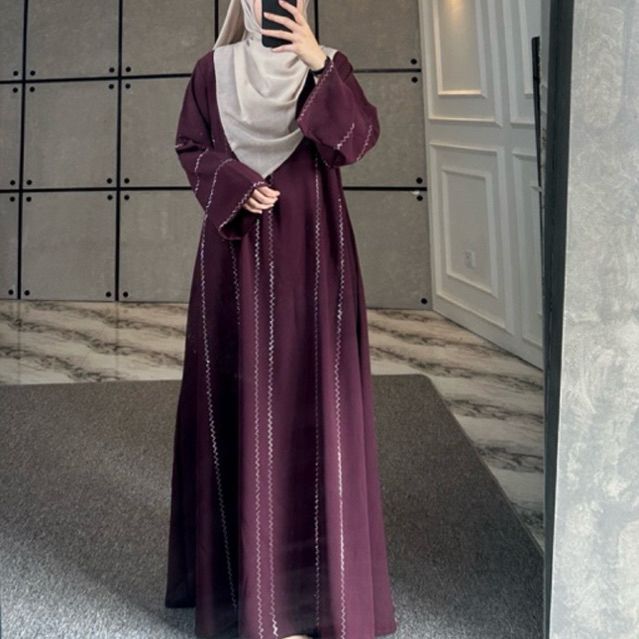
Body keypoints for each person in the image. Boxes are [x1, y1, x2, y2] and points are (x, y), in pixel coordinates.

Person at [164, 1, 398, 637]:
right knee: (242, 400)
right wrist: (237, 183)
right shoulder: (212, 70)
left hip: (314, 255)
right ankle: (252, 599)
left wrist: (319, 62)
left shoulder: (327, 67)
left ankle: (316, 600)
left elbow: (355, 143)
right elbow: (191, 147)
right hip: (237, 252)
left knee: (315, 400)